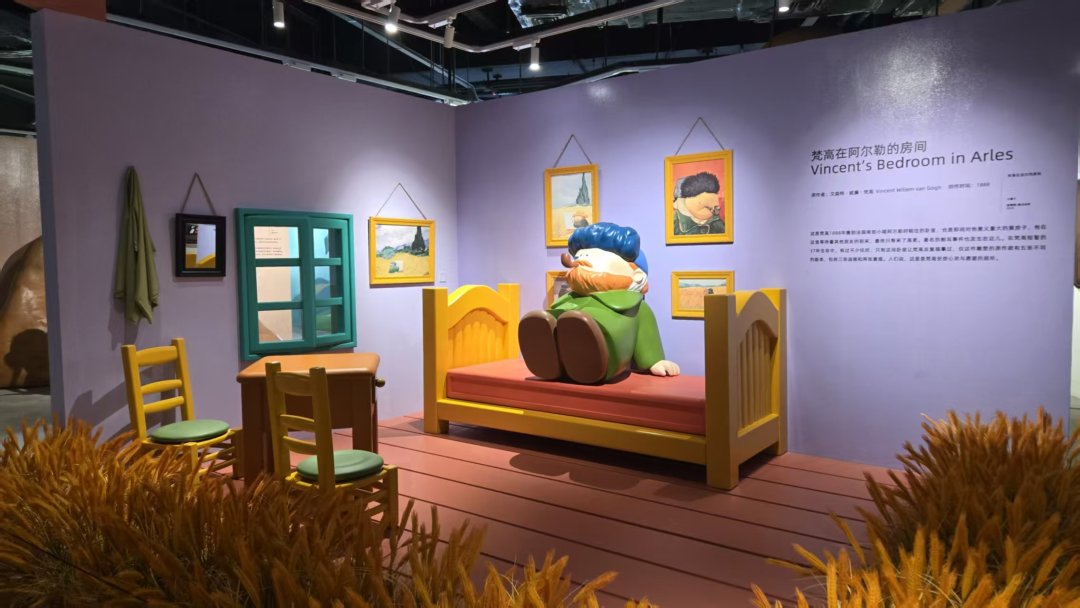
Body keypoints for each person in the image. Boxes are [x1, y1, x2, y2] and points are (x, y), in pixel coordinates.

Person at [519, 223, 680, 384]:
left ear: (636, 275)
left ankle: (591, 358)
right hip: (564, 355)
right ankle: (550, 362)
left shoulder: (635, 307)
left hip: (608, 363)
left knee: (583, 323)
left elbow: (646, 334)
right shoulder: (569, 299)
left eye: (595, 257)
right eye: (579, 257)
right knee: (552, 320)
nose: (580, 261)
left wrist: (654, 361)